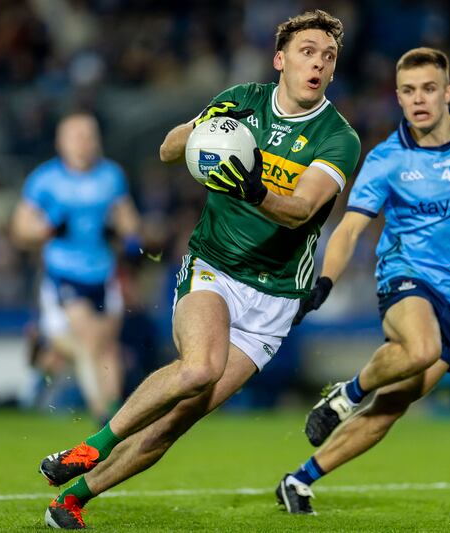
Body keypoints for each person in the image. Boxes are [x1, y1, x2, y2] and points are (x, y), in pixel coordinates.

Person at [37, 10, 360, 529]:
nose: (318, 63)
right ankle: (93, 445)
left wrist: (251, 185)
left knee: (175, 423)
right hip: (214, 267)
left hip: (276, 297)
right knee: (200, 366)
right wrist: (204, 131)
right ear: (280, 59)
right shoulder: (242, 102)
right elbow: (169, 149)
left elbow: (303, 208)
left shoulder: (338, 137)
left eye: (328, 56)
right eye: (307, 51)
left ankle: (71, 500)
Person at [276, 47, 450, 515]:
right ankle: (347, 394)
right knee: (420, 349)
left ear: (447, 92)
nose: (418, 99)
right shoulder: (387, 160)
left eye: (428, 89)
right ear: (397, 97)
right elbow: (351, 228)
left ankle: (300, 479)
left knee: (393, 407)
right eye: (408, 91)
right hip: (406, 275)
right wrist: (325, 281)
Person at [12, 112, 145, 427]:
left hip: (103, 273)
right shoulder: (45, 180)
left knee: (106, 347)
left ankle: (112, 415)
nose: (84, 143)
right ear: (61, 142)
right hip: (65, 273)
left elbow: (128, 218)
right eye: (77, 136)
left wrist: (129, 235)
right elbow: (20, 228)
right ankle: (105, 419)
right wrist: (46, 230)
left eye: (89, 135)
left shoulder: (111, 176)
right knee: (89, 341)